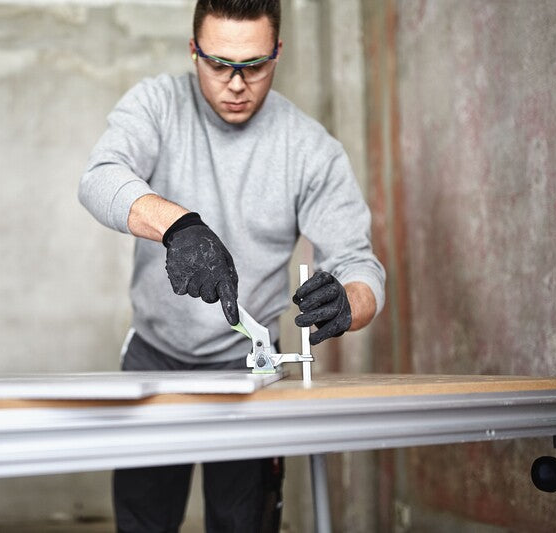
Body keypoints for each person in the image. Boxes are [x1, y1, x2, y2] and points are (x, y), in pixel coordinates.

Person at [78, 1, 385, 531]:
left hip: (252, 372)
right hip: (155, 364)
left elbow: (361, 266)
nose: (236, 83)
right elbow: (99, 178)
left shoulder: (310, 148)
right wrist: (178, 226)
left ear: (278, 53)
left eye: (254, 65)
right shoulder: (156, 104)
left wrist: (348, 303)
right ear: (193, 50)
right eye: (218, 64)